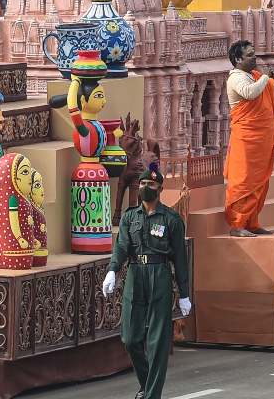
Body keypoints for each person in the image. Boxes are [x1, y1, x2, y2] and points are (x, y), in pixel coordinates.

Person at [102, 163, 191, 399]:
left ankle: (151, 395)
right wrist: (112, 270)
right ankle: (147, 381)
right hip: (135, 275)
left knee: (158, 340)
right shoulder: (130, 217)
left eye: (150, 184)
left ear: (159, 189)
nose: (145, 187)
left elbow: (180, 259)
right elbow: (121, 247)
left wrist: (184, 294)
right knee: (130, 338)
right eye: (142, 183)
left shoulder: (171, 219)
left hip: (159, 274)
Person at [223, 39, 274, 238]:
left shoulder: (256, 76)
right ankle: (237, 225)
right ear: (238, 59)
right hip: (246, 139)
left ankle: (252, 222)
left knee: (260, 182)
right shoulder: (236, 79)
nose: (254, 57)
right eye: (250, 55)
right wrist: (266, 78)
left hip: (262, 141)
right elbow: (250, 94)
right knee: (244, 181)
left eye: (253, 53)